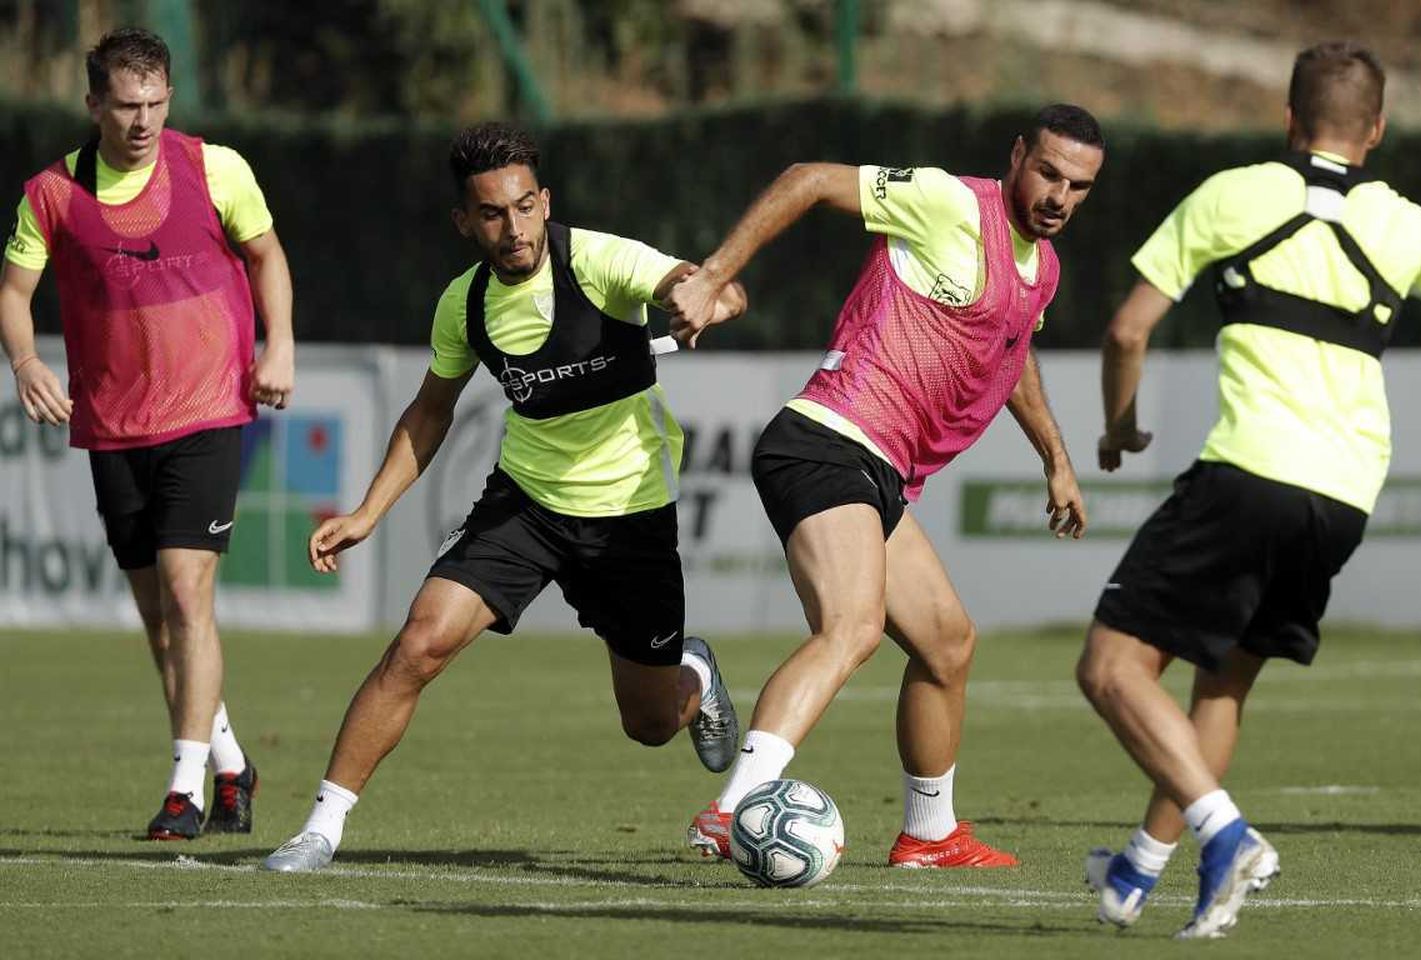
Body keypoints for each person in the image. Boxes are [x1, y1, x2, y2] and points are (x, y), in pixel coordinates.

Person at [1078, 41, 1421, 939]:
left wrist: (1118, 425)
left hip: (1248, 472)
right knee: (1222, 688)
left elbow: (1125, 330)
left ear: (1288, 118)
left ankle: (1227, 838)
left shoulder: (1232, 194)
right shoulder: (1405, 223)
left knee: (1112, 666)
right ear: (1376, 131)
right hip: (1343, 496)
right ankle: (1135, 876)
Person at [261, 122, 748, 872]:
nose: (513, 227)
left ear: (545, 202)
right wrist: (365, 513)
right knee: (418, 644)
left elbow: (703, 284)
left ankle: (695, 675)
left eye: (525, 207)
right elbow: (429, 412)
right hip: (523, 505)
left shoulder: (599, 261)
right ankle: (321, 828)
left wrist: (705, 297)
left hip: (629, 518)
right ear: (465, 222)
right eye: (492, 213)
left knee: (650, 724)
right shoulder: (464, 305)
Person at [666, 105, 1099, 867]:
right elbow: (807, 181)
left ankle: (930, 834)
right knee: (852, 629)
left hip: (876, 470)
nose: (1060, 195)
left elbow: (1013, 348)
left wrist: (1055, 458)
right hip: (826, 440)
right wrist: (710, 277)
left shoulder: (1045, 269)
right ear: (1017, 153)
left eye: (1080, 185)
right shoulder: (950, 203)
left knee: (948, 645)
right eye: (1049, 172)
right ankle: (728, 812)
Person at [1, 27, 294, 840]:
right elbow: (14, 293)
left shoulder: (215, 168)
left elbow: (267, 256)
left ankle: (184, 788)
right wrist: (26, 362)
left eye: (156, 103)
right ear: (94, 103)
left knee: (186, 593)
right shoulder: (50, 195)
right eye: (126, 105)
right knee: (159, 618)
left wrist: (281, 342)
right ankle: (232, 763)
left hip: (207, 410)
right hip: (112, 426)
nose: (142, 121)